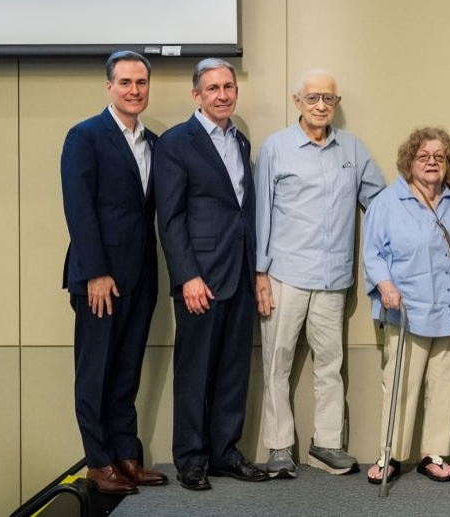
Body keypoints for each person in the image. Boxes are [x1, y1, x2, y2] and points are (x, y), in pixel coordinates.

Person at [255, 70, 385, 479]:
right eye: (312, 98)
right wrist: (260, 273)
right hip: (284, 274)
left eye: (328, 99)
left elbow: (379, 201)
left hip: (332, 279)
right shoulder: (275, 148)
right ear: (297, 102)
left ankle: (326, 445)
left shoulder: (352, 149)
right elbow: (260, 214)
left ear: (336, 102)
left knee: (330, 364)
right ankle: (279, 447)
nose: (320, 106)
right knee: (277, 364)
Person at [154, 58, 269, 491]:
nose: (223, 95)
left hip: (238, 272)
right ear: (196, 95)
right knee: (194, 371)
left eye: (228, 87)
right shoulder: (176, 143)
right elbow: (172, 218)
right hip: (200, 278)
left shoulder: (239, 141)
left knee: (233, 370)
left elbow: (243, 210)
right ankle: (190, 458)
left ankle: (224, 452)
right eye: (213, 88)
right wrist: (187, 277)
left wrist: (256, 268)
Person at [60, 50, 167, 494]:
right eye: (125, 82)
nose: (134, 90)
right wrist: (96, 272)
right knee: (95, 371)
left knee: (126, 370)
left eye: (141, 82)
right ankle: (98, 461)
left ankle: (125, 455)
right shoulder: (85, 136)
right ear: (110, 87)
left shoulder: (154, 143)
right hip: (100, 279)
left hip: (141, 276)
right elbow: (79, 209)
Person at [363, 127, 450, 484]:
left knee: (444, 384)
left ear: (448, 163)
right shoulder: (387, 202)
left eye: (439, 157)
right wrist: (384, 284)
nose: (431, 163)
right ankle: (390, 455)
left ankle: (434, 452)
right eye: (423, 156)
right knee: (401, 385)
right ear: (409, 161)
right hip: (407, 310)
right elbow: (372, 253)